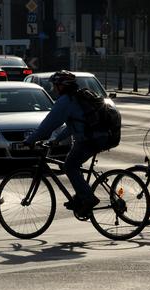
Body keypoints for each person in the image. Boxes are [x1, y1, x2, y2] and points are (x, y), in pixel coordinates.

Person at [24, 70, 109, 217]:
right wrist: (56, 140)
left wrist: (31, 140)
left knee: (70, 166)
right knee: (72, 163)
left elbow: (48, 125)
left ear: (61, 86)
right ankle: (81, 197)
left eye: (55, 86)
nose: (53, 89)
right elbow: (74, 125)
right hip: (96, 136)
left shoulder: (66, 101)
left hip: (90, 139)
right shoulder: (76, 97)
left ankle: (88, 199)